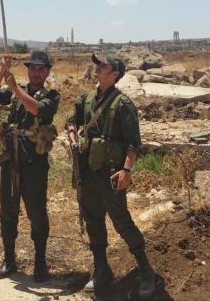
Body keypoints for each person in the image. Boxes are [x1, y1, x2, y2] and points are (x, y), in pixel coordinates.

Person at [66, 54, 157, 299]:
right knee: (93, 221)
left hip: (111, 175)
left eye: (103, 65)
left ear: (115, 73)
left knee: (122, 223)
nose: (97, 68)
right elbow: (71, 121)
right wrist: (73, 135)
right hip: (87, 173)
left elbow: (133, 144)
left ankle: (146, 272)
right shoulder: (86, 99)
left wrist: (126, 171)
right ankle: (102, 270)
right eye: (98, 64)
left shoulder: (123, 104)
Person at [0, 51, 60, 283]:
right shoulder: (15, 91)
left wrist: (16, 89)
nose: (36, 72)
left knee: (36, 212)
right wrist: (1, 73)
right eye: (33, 68)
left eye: (41, 69)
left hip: (34, 162)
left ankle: (40, 263)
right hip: (11, 159)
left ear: (47, 72)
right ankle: (9, 259)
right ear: (28, 70)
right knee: (7, 209)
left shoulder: (51, 95)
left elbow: (37, 110)